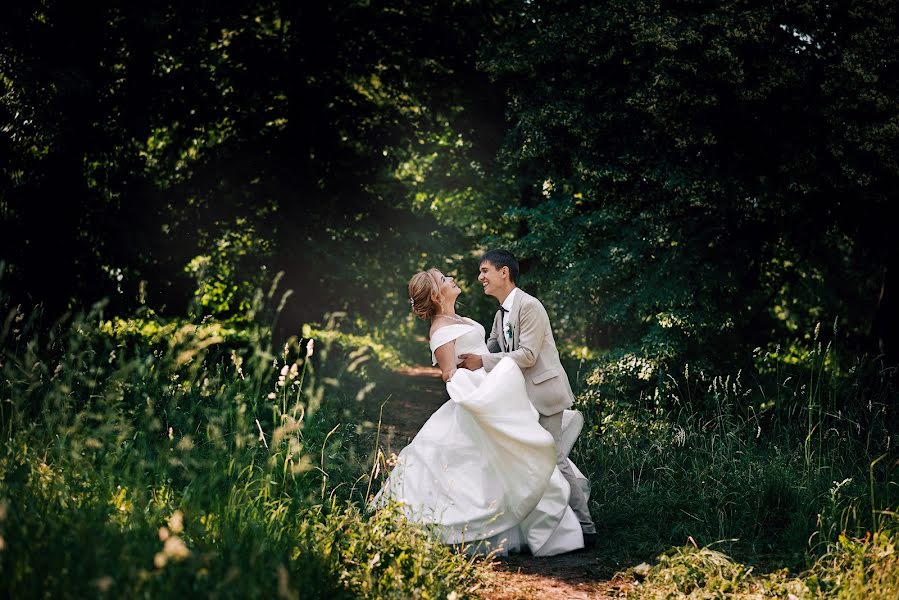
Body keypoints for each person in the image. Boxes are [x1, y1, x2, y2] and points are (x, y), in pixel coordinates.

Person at [371, 267, 588, 556]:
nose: (452, 279)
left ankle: (549, 518)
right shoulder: (440, 329)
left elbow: (481, 352)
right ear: (437, 293)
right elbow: (449, 373)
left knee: (517, 450)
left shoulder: (457, 319)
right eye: (444, 279)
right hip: (478, 395)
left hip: (493, 388)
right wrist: (478, 395)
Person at [458, 249, 597, 547]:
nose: (480, 277)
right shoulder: (500, 314)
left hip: (544, 393)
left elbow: (529, 355)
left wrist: (480, 362)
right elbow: (492, 348)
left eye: (485, 271)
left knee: (555, 459)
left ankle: (586, 527)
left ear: (504, 272)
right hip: (519, 399)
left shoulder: (530, 306)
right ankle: (536, 526)